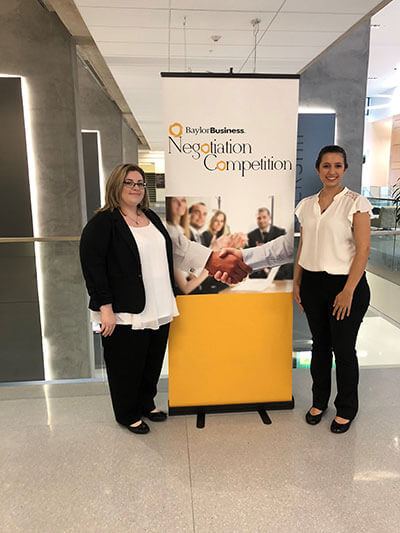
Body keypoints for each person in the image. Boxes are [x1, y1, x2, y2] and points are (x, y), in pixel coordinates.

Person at [80, 165, 251, 435]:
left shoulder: (150, 217)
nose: (136, 188)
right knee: (126, 364)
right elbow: (93, 268)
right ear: (116, 185)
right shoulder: (102, 223)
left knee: (151, 360)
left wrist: (212, 258)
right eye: (129, 183)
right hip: (126, 310)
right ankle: (127, 413)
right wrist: (105, 308)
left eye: (139, 183)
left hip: (159, 303)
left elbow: (178, 250)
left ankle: (146, 403)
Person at [293, 145, 371, 434]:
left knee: (343, 348)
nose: (332, 171)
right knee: (320, 346)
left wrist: (348, 290)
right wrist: (297, 281)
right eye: (326, 166)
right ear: (317, 169)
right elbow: (304, 244)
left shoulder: (355, 202)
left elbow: (363, 249)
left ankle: (347, 408)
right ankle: (319, 401)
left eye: (338, 166)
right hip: (313, 283)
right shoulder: (306, 205)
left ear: (345, 169)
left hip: (346, 284)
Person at [247, 208, 292, 280]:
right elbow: (251, 258)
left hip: (277, 275)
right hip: (258, 277)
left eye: (264, 217)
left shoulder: (280, 232)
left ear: (269, 217)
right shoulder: (251, 235)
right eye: (259, 218)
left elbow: (283, 256)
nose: (261, 220)